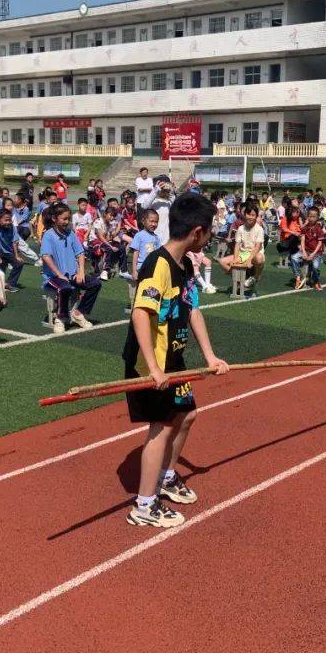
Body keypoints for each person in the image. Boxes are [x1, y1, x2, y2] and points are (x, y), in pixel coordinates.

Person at [124, 192, 229, 528]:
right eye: (210, 231)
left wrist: (210, 356)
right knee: (161, 426)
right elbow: (141, 312)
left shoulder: (184, 265)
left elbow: (193, 309)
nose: (210, 237)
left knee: (186, 415)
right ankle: (144, 504)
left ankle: (166, 477)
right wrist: (154, 368)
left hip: (174, 359)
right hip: (149, 363)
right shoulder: (158, 264)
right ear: (197, 232)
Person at [40, 202, 102, 334]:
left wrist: (80, 272)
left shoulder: (70, 233)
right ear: (54, 219)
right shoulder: (48, 235)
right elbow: (46, 256)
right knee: (65, 287)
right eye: (64, 219)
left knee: (95, 284)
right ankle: (60, 319)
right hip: (53, 278)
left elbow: (80, 253)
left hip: (72, 274)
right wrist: (59, 275)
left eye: (68, 218)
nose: (67, 221)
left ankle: (77, 313)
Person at [219, 206, 265, 293]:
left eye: (253, 215)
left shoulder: (259, 229)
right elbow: (237, 245)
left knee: (259, 259)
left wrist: (249, 260)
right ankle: (238, 279)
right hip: (242, 253)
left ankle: (255, 278)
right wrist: (236, 258)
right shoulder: (241, 228)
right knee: (222, 261)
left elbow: (257, 247)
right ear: (245, 215)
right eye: (248, 214)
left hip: (255, 253)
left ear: (256, 216)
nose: (250, 217)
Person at [0, 208, 26, 291]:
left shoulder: (12, 227)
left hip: (8, 251)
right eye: (6, 220)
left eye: (9, 220)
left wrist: (17, 256)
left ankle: (9, 284)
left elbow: (15, 242)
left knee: (19, 263)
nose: (8, 222)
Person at [291, 206, 326, 290]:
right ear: (307, 216)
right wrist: (303, 252)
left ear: (317, 218)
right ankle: (298, 277)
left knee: (316, 266)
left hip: (316, 253)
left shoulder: (319, 229)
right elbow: (302, 240)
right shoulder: (304, 228)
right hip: (306, 251)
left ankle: (316, 281)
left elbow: (320, 244)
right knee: (293, 257)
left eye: (314, 216)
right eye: (310, 216)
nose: (311, 218)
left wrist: (312, 255)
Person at [127, 209, 162, 284]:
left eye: (156, 222)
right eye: (151, 221)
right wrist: (134, 270)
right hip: (141, 268)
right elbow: (135, 253)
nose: (153, 224)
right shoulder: (139, 235)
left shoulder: (157, 238)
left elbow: (158, 254)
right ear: (143, 221)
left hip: (153, 269)